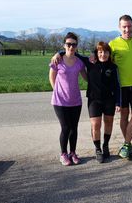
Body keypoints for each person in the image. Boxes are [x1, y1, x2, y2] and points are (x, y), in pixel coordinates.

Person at [109, 15, 132, 159]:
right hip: (121, 87)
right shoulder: (113, 44)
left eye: (129, 26)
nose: (127, 29)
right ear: (119, 27)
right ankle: (128, 145)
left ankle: (126, 144)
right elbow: (103, 59)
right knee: (124, 116)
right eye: (124, 26)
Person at [78, 42, 121, 163]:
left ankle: (105, 145)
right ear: (96, 53)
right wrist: (58, 54)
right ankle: (97, 149)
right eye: (100, 52)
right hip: (94, 99)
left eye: (106, 52)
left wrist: (118, 102)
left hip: (109, 99)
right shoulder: (90, 63)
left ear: (109, 53)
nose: (103, 54)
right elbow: (75, 54)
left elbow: (117, 86)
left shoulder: (113, 67)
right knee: (95, 124)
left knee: (108, 122)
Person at [49, 32, 87, 166]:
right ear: (64, 45)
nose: (71, 47)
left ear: (77, 46)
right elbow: (51, 77)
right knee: (65, 127)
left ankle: (73, 152)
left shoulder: (79, 63)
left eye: (74, 44)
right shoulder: (57, 60)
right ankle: (63, 154)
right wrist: (56, 90)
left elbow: (86, 77)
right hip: (60, 101)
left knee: (74, 128)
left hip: (75, 100)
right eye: (69, 44)